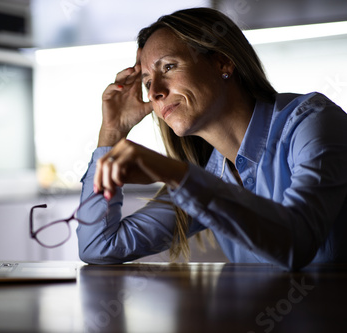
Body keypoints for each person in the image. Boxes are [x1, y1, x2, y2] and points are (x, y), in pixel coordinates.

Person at [76, 7, 347, 270]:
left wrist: (173, 173)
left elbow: (298, 243)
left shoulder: (313, 123)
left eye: (168, 67)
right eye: (147, 82)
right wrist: (113, 130)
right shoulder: (206, 174)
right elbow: (100, 247)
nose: (156, 91)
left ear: (222, 62)